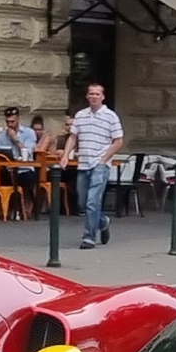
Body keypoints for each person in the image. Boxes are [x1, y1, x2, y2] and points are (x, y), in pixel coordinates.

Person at [65, 82, 123, 249]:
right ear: (87, 96)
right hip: (83, 163)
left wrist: (104, 159)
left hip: (100, 164)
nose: (94, 97)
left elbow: (118, 141)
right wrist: (66, 156)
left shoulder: (110, 116)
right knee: (83, 201)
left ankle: (89, 237)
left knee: (92, 201)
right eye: (91, 94)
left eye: (97, 94)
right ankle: (103, 221)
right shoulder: (81, 115)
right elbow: (73, 137)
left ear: (103, 97)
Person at [0, 105, 41, 210]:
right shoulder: (2, 135)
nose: (10, 124)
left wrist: (15, 138)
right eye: (7, 122)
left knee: (23, 178)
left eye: (12, 121)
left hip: (24, 170)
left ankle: (18, 210)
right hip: (7, 170)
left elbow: (29, 152)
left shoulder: (29, 133)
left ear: (18, 119)